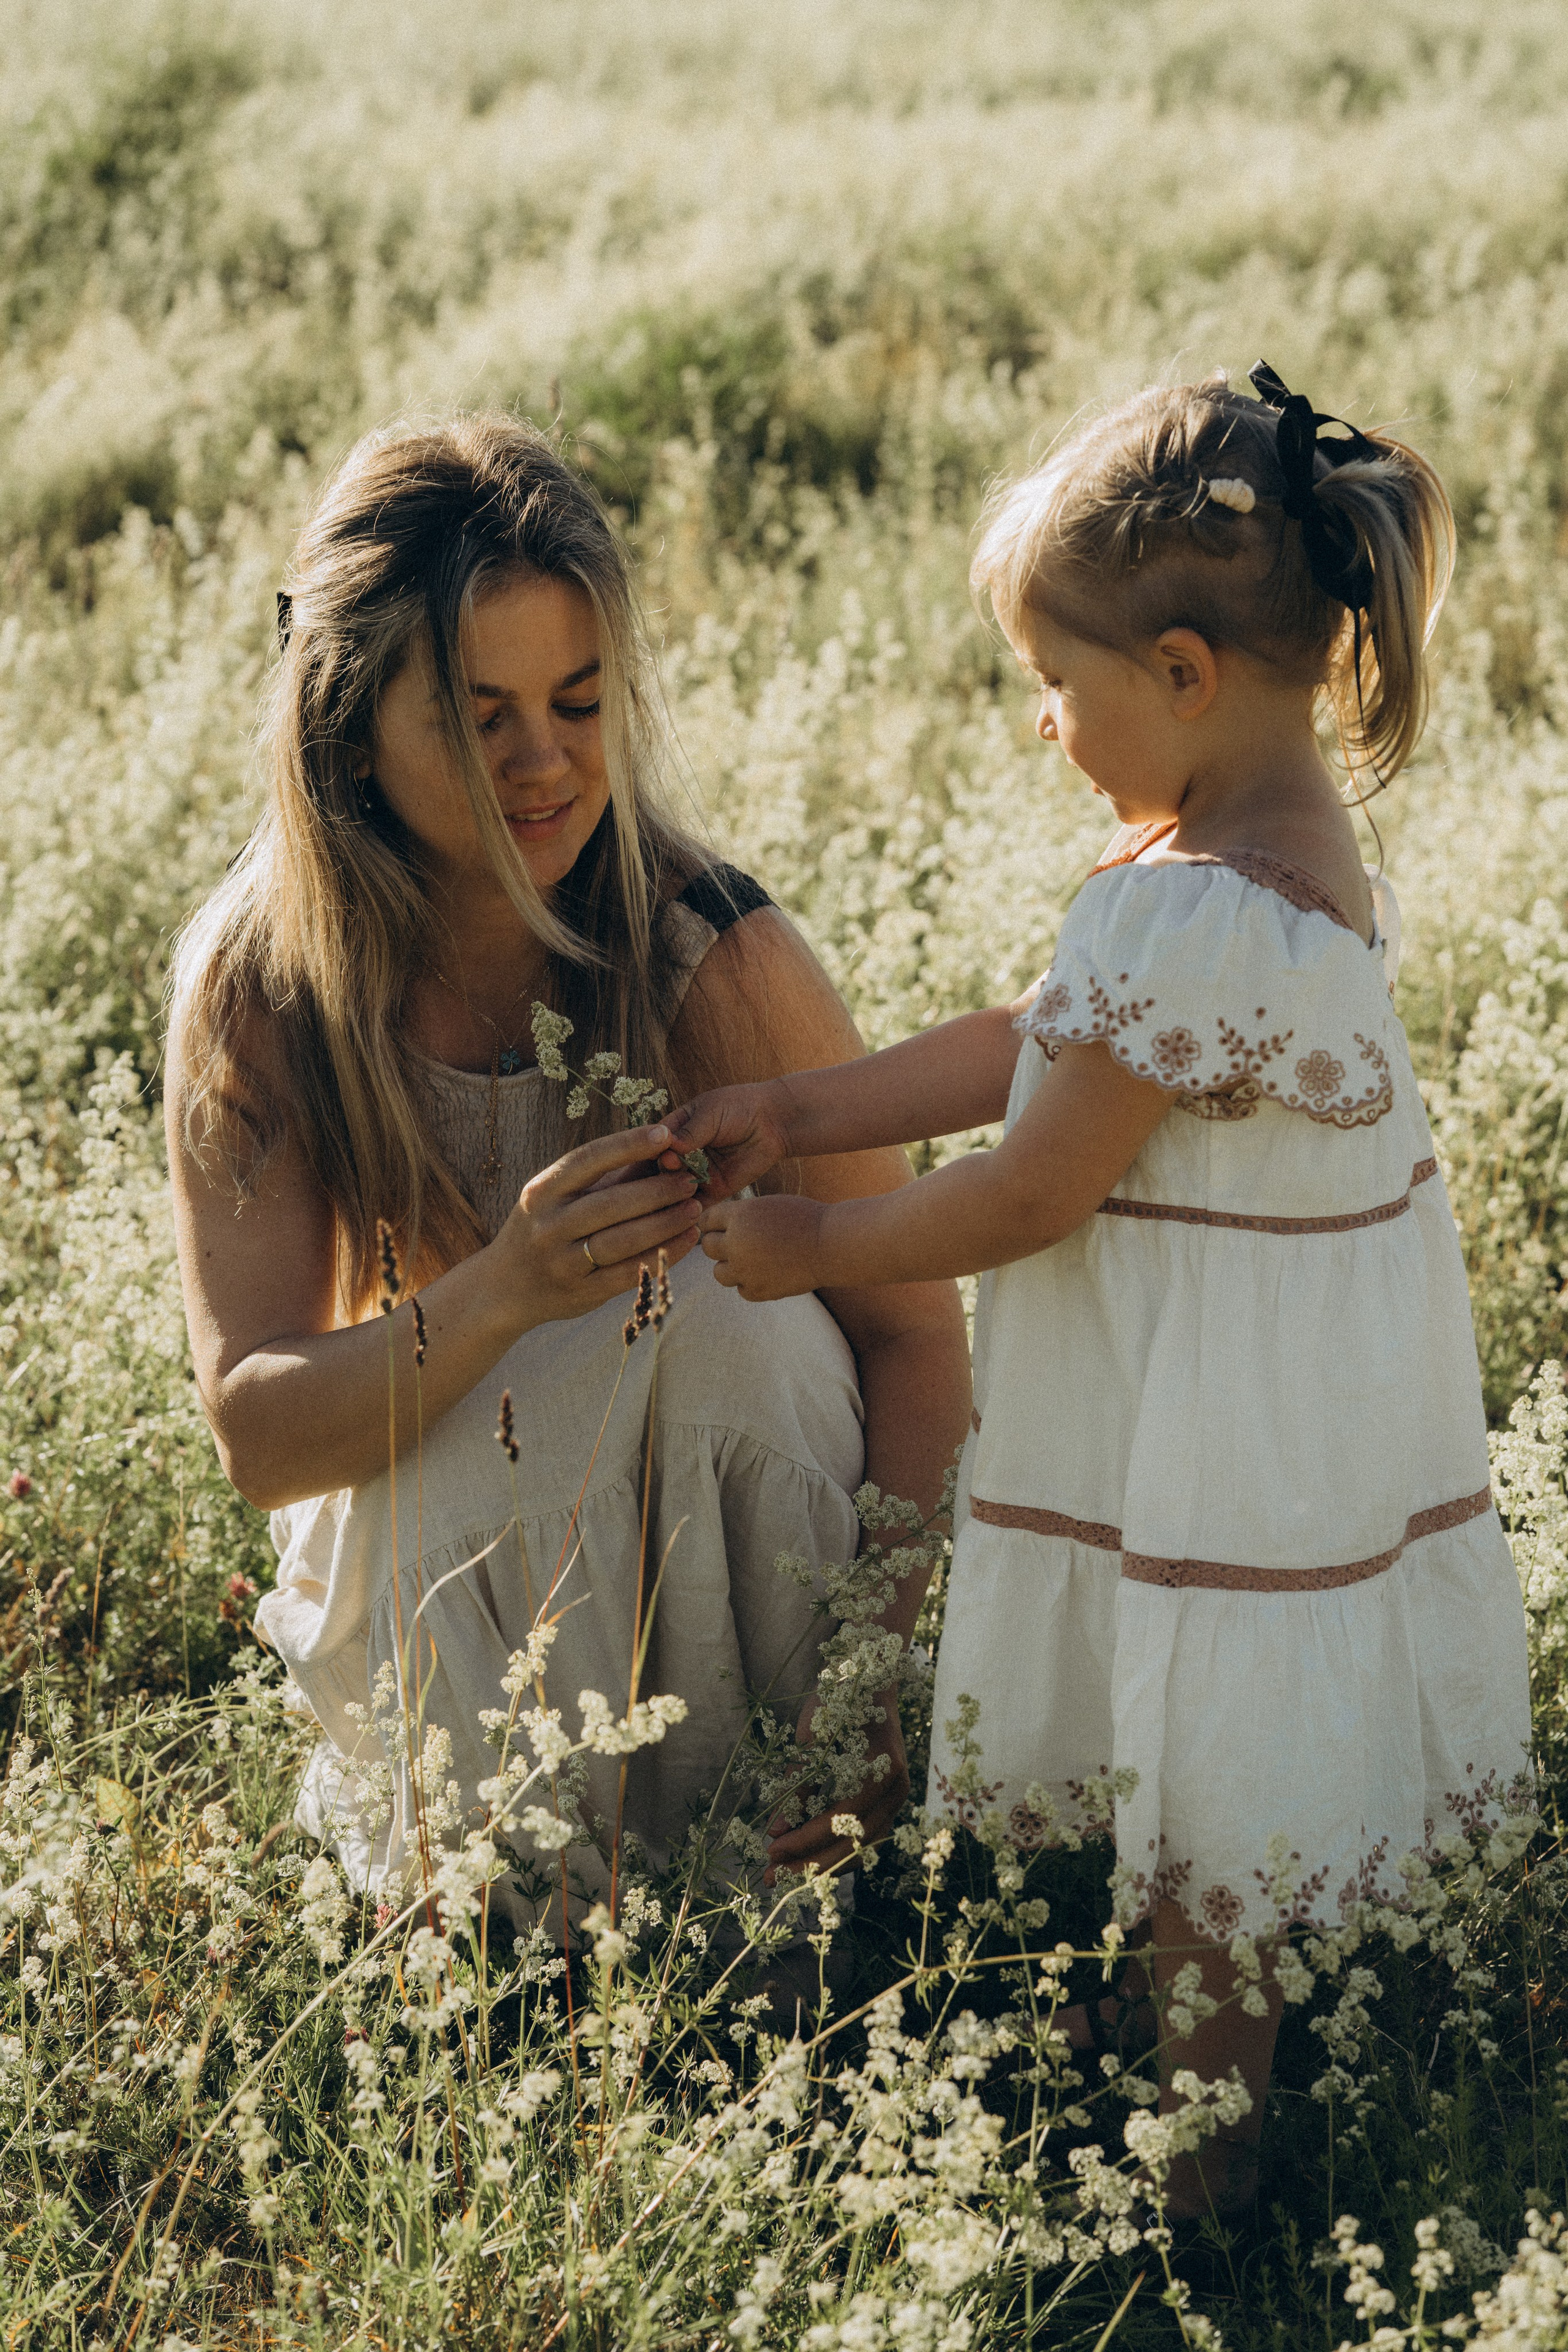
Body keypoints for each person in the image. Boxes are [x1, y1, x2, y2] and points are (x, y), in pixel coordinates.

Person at [665, 367, 1533, 2216]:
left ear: (1189, 673)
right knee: (1226, 1773)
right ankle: (1194, 2077)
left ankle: (1205, 2179)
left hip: (1215, 1447)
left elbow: (1040, 1177)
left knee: (1207, 1807)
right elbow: (1040, 1043)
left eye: (1060, 687)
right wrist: (797, 1106)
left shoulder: (1194, 911)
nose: (1047, 726)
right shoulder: (1275, 868)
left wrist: (812, 1242)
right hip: (1286, 1431)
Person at [165, 414, 970, 1932]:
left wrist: (875, 1706)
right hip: (450, 1538)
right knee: (521, 1387)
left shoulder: (702, 948)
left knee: (738, 1325)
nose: (544, 765)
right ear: (348, 721)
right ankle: (521, 1921)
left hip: (737, 1561)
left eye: (580, 701)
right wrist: (503, 1294)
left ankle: (773, 1895)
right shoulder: (266, 986)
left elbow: (918, 1338)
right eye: (478, 720)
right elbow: (262, 1437)